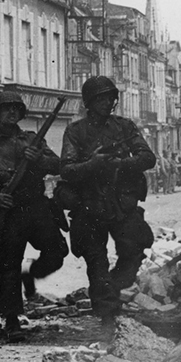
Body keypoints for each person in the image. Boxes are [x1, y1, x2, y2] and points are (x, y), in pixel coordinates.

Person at [60, 76, 156, 338]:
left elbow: (148, 157)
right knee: (95, 259)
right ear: (89, 103)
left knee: (135, 248)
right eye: (100, 99)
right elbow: (66, 169)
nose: (106, 103)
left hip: (121, 202)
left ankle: (110, 292)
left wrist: (120, 164)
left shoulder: (125, 127)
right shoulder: (76, 131)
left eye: (109, 98)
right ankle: (107, 315)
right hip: (89, 204)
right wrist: (93, 164)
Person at [0, 91, 66, 342]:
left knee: (57, 251)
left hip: (37, 207)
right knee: (8, 266)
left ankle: (31, 275)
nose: (12, 113)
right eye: (6, 109)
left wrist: (40, 159)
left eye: (16, 108)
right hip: (9, 211)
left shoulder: (34, 140)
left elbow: (58, 165)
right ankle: (11, 320)